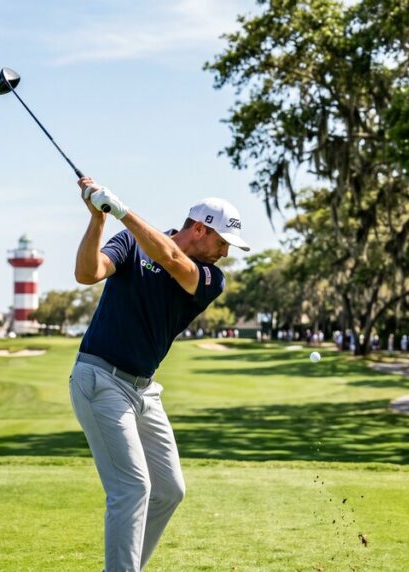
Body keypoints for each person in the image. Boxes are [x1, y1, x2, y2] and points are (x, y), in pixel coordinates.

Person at [70, 177, 249, 571]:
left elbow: (171, 259)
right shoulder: (132, 243)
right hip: (100, 379)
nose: (224, 253)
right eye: (222, 242)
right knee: (132, 488)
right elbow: (88, 273)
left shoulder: (209, 277)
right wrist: (99, 219)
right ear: (199, 228)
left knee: (169, 490)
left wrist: (121, 211)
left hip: (144, 391)